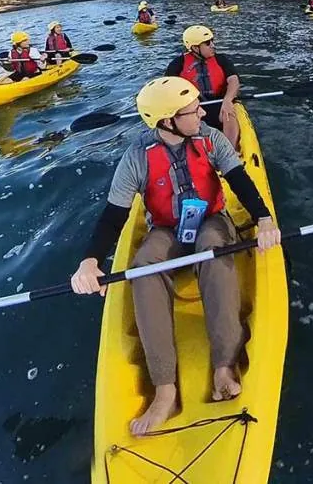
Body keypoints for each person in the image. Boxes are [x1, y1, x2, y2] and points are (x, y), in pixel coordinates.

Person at [70, 77, 282, 434]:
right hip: (167, 229)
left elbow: (239, 180)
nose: (202, 112)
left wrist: (263, 218)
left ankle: (224, 365)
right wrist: (90, 260)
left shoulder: (211, 139)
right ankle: (165, 391)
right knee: (141, 268)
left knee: (212, 253)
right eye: (192, 110)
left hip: (211, 220)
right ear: (167, 121)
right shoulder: (136, 158)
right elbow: (113, 216)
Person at [164, 25, 241, 149]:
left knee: (228, 113)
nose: (212, 45)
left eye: (212, 41)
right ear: (195, 47)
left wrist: (227, 100)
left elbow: (233, 80)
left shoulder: (221, 59)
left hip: (220, 103)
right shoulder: (178, 64)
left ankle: (230, 151)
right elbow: (168, 88)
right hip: (192, 108)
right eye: (207, 43)